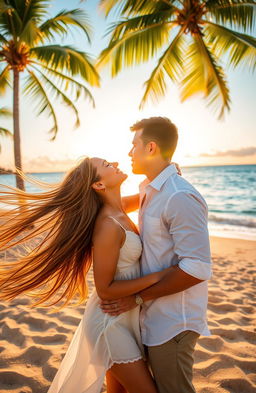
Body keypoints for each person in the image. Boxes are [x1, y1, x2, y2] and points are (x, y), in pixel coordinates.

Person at [0, 156, 178, 393]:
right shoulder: (108, 225)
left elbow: (149, 196)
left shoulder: (119, 209)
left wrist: (168, 170)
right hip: (109, 324)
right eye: (106, 165)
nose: (114, 163)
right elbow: (104, 289)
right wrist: (159, 276)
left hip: (125, 319)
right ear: (99, 185)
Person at [101, 117, 212, 393]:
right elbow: (115, 207)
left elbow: (197, 268)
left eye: (133, 145)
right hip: (150, 316)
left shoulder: (179, 197)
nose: (129, 153)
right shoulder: (149, 190)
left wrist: (136, 298)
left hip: (173, 320)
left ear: (150, 147)